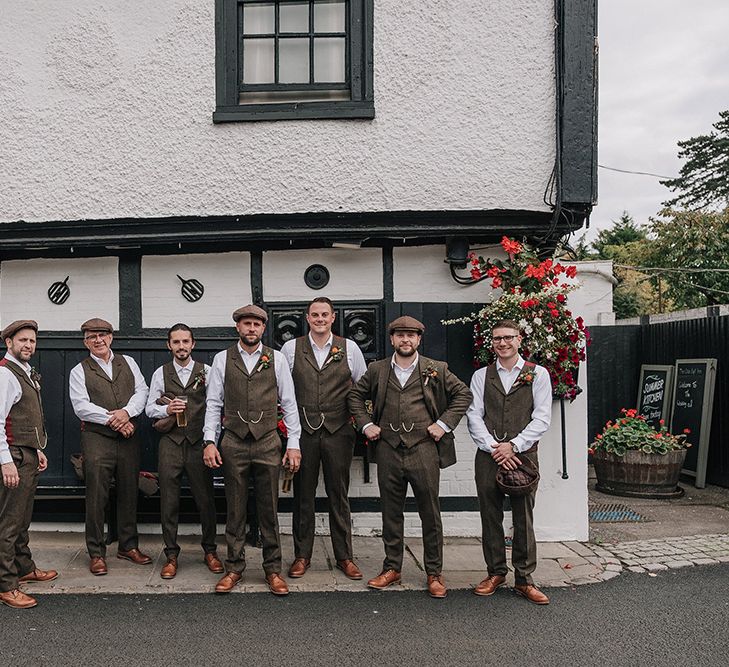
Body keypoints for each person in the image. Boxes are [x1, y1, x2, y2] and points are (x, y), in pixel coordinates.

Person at [348, 316, 472, 598]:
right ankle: (392, 567)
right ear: (392, 339)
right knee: (391, 513)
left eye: (411, 335)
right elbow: (354, 396)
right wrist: (367, 425)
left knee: (430, 513)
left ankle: (434, 573)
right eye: (400, 335)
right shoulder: (377, 369)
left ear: (419, 340)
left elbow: (462, 395)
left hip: (424, 449)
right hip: (388, 449)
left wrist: (442, 424)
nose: (406, 340)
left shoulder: (435, 368)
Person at [203, 305, 302, 596]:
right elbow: (213, 404)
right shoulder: (223, 359)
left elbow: (289, 403)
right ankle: (234, 568)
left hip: (268, 440)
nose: (251, 329)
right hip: (233, 440)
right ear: (238, 327)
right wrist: (210, 441)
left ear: (263, 328)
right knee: (235, 508)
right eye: (246, 324)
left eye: (256, 325)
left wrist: (293, 444)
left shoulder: (277, 358)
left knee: (269, 508)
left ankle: (273, 570)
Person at [280, 297, 367, 580]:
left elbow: (362, 388)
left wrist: (361, 422)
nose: (319, 319)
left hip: (338, 431)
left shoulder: (350, 348)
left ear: (333, 318)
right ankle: (301, 556)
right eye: (314, 315)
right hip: (302, 431)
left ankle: (344, 557)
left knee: (338, 495)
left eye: (324, 315)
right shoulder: (290, 348)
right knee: (302, 495)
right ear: (307, 318)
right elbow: (282, 391)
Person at [466, 319, 552, 604]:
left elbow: (541, 418)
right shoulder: (481, 376)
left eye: (508, 337)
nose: (502, 343)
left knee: (523, 517)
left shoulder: (537, 374)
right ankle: (495, 572)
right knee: (489, 515)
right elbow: (474, 415)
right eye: (497, 339)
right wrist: (494, 447)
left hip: (524, 456)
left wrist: (514, 446)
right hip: (489, 456)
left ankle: (524, 579)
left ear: (519, 339)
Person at [69, 318, 151, 575]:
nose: (98, 340)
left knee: (129, 490)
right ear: (85, 342)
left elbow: (142, 392)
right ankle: (96, 552)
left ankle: (128, 546)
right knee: (96, 496)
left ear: (111, 337)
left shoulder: (129, 362)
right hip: (97, 438)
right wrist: (115, 420)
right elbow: (81, 406)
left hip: (129, 436)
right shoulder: (78, 370)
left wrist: (126, 412)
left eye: (102, 335)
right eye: (92, 336)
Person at [145, 323, 223, 580]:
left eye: (185, 342)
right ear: (169, 345)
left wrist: (211, 441)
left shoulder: (208, 372)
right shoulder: (161, 373)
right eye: (176, 342)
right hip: (170, 443)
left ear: (193, 344)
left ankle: (210, 551)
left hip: (199, 443)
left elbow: (215, 406)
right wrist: (166, 410)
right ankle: (171, 555)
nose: (181, 346)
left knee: (205, 500)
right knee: (169, 501)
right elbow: (148, 409)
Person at [0, 320, 57, 609]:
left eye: (32, 341)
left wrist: (37, 450)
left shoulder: (24, 372)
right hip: (14, 457)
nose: (28, 345)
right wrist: (6, 462)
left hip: (28, 454)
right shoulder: (5, 374)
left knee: (22, 519)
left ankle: (24, 567)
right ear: (9, 342)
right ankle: (7, 583)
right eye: (22, 340)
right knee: (8, 523)